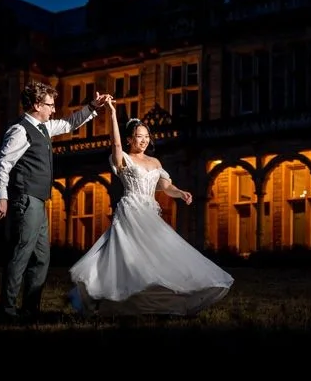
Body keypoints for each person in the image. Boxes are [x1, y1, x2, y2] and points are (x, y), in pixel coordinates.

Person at [68, 98, 234, 317]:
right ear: (129, 139)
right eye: (139, 136)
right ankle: (110, 294)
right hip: (131, 209)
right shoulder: (123, 158)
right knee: (129, 255)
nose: (144, 141)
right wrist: (112, 114)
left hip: (150, 212)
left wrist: (181, 193)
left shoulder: (155, 162)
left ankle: (158, 294)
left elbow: (166, 186)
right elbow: (115, 145)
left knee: (159, 253)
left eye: (147, 136)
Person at [0, 80, 111, 321]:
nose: (54, 109)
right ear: (36, 105)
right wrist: (0, 196)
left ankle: (31, 309)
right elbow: (2, 164)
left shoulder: (44, 128)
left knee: (42, 257)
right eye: (50, 105)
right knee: (21, 254)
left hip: (39, 200)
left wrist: (93, 106)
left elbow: (69, 123)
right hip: (25, 199)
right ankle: (6, 310)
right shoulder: (20, 130)